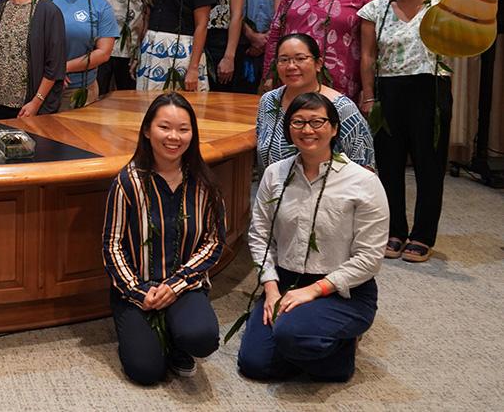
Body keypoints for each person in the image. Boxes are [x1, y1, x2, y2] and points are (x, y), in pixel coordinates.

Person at [238, 92, 388, 382]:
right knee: (254, 365)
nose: (307, 130)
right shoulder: (274, 174)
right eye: (298, 122)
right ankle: (320, 342)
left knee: (291, 334)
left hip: (344, 290)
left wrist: (313, 290)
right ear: (288, 128)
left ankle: (334, 348)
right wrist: (270, 288)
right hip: (285, 281)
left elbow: (370, 258)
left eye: (317, 122)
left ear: (334, 128)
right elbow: (260, 235)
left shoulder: (363, 182)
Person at [103, 92, 225, 384]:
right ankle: (152, 337)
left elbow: (214, 241)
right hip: (137, 289)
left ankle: (177, 336)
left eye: (183, 129)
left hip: (184, 285)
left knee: (202, 338)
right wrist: (137, 291)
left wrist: (176, 284)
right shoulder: (128, 181)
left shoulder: (204, 182)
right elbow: (112, 245)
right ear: (147, 131)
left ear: (192, 134)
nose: (174, 137)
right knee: (146, 371)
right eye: (164, 127)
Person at [359, 0, 450, 263]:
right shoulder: (376, 8)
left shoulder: (443, 4)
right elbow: (368, 55)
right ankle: (395, 230)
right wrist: (369, 95)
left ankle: (423, 235)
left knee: (429, 164)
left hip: (431, 88)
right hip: (389, 91)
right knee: (390, 165)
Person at [257, 33, 375, 170]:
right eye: (283, 60)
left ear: (318, 64)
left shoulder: (342, 108)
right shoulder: (269, 101)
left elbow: (364, 167)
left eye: (300, 58)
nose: (291, 66)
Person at [42, 0, 119, 108]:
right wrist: (52, 73)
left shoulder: (101, 6)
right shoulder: (43, 0)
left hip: (80, 90)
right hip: (41, 86)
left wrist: (64, 68)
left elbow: (103, 53)